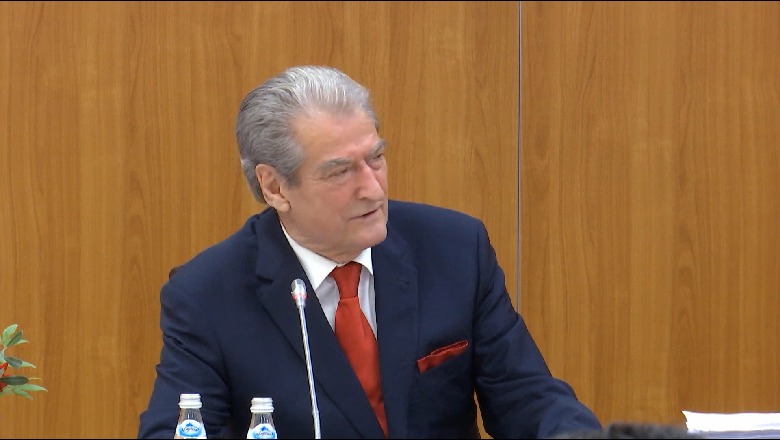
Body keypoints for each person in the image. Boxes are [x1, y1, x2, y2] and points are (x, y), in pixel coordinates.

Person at [138, 65, 602, 439]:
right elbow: (178, 427)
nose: (373, 188)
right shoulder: (207, 295)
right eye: (340, 172)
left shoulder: (455, 249)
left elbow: (527, 397)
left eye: (376, 158)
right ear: (275, 187)